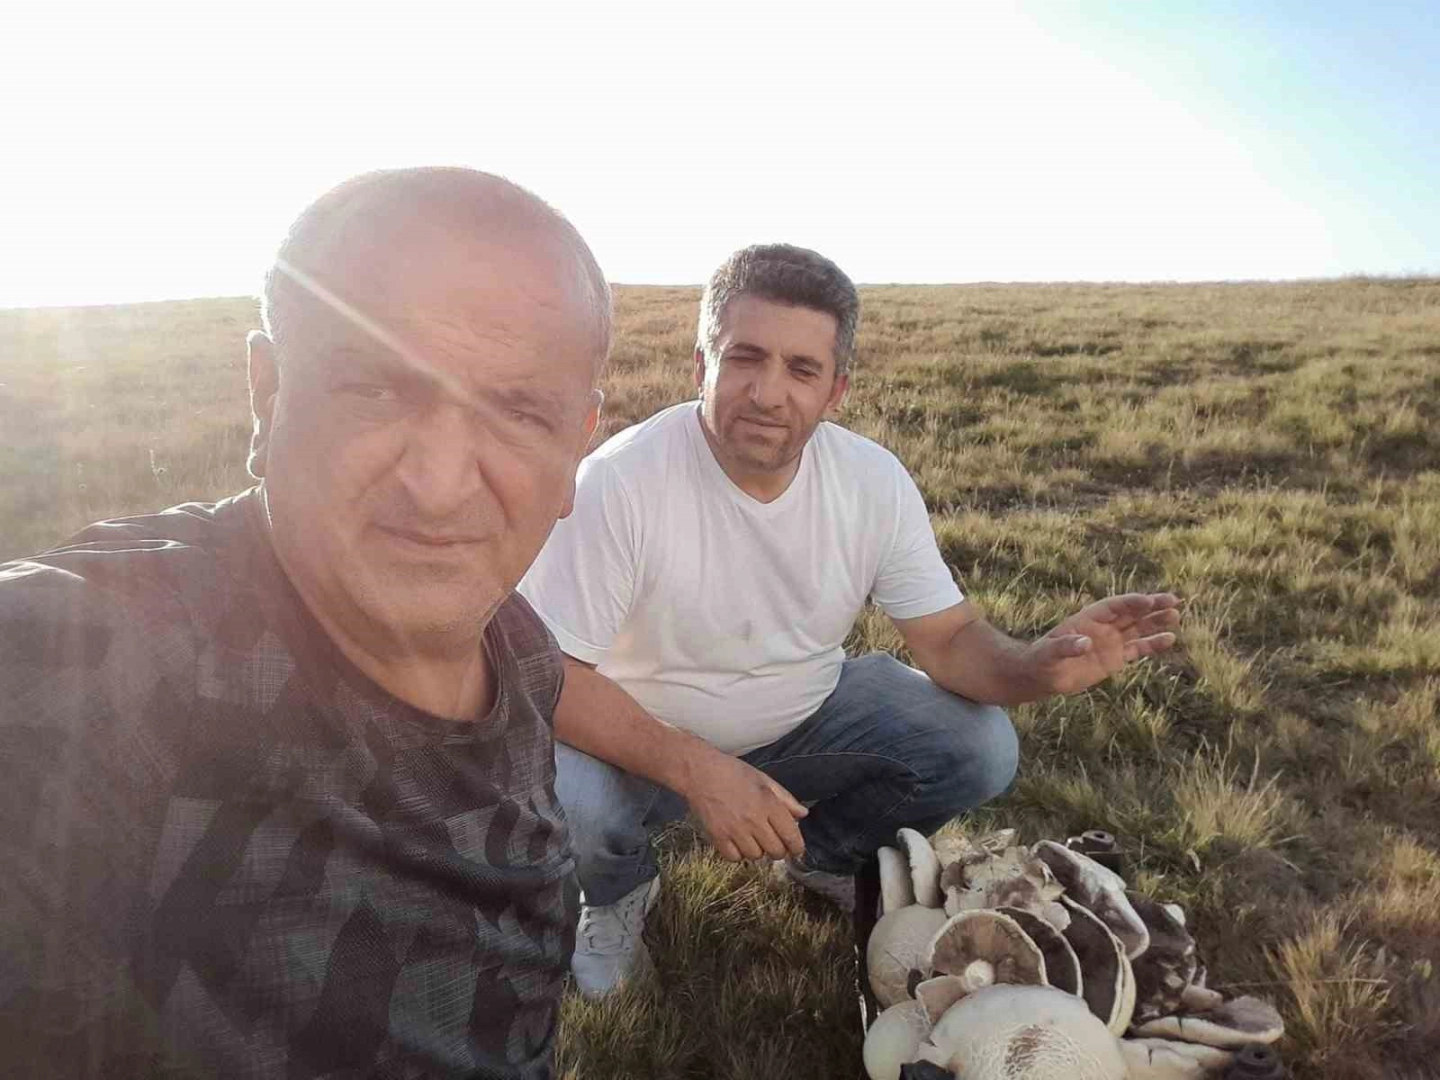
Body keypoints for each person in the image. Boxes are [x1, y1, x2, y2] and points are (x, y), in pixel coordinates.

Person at [0, 168, 608, 1078]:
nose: (439, 486)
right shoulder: (99, 667)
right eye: (375, 389)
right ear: (268, 393)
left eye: (517, 410)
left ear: (575, 448)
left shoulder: (514, 642)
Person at [520, 243, 1181, 996]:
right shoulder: (620, 481)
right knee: (567, 792)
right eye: (744, 359)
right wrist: (699, 770)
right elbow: (551, 676)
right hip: (637, 745)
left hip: (803, 723)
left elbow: (949, 639)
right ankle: (614, 896)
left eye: (801, 370)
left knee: (978, 744)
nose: (768, 393)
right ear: (701, 366)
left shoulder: (871, 481)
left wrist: (1037, 667)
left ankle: (822, 857)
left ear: (836, 390)